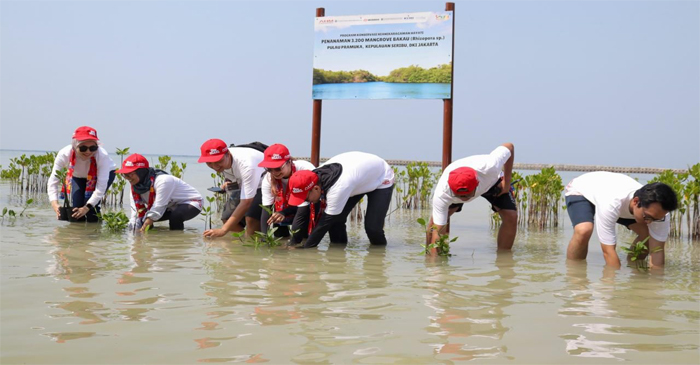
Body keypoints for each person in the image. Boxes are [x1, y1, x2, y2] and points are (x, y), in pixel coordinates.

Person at [564, 171, 678, 268]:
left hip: (619, 203)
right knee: (584, 230)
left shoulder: (661, 214)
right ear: (636, 202)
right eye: (647, 217)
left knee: (648, 236)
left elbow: (657, 251)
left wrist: (654, 286)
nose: (649, 222)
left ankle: (634, 266)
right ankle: (574, 273)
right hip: (582, 190)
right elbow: (608, 252)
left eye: (655, 219)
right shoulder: (611, 203)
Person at [287, 151, 395, 248]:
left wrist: (306, 249)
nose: (305, 201)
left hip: (381, 177)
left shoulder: (338, 188)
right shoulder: (315, 176)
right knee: (336, 221)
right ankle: (338, 255)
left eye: (305, 198)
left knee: (373, 228)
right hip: (357, 178)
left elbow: (323, 225)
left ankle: (379, 257)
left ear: (316, 188)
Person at [427, 143, 516, 255]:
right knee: (434, 224)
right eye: (460, 196)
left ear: (477, 185)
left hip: (492, 182)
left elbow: (509, 146)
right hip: (455, 188)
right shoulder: (442, 193)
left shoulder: (491, 166)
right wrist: (435, 269)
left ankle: (504, 257)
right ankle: (428, 254)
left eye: (467, 196)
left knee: (511, 217)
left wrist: (507, 182)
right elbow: (438, 231)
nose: (464, 199)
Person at [198, 138, 265, 238]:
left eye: (218, 161)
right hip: (245, 183)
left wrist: (222, 230)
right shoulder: (224, 161)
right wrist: (227, 182)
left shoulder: (247, 165)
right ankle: (242, 245)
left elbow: (246, 202)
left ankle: (255, 245)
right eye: (209, 163)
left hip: (264, 181)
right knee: (227, 218)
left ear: (228, 154)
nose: (215, 167)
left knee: (251, 218)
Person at [47, 126, 116, 222]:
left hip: (104, 173)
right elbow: (53, 182)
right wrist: (55, 205)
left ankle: (95, 233)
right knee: (76, 208)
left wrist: (86, 208)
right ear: (75, 146)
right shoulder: (64, 154)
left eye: (93, 148)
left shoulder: (102, 155)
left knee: (91, 209)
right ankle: (78, 234)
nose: (88, 152)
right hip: (78, 176)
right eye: (83, 148)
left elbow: (101, 187)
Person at [118, 153, 202, 231]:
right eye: (125, 175)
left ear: (141, 172)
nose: (127, 178)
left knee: (175, 216)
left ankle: (176, 241)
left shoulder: (163, 181)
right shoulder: (135, 187)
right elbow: (135, 212)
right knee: (142, 219)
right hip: (168, 205)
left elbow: (158, 207)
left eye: (130, 174)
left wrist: (143, 229)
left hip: (191, 202)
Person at [258, 144, 315, 240]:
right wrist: (264, 239)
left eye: (277, 168)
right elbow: (266, 210)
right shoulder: (268, 178)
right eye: (269, 169)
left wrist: (284, 212)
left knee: (301, 236)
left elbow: (305, 206)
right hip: (285, 207)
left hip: (308, 205)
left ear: (289, 162)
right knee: (278, 229)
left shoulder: (305, 170)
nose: (274, 173)